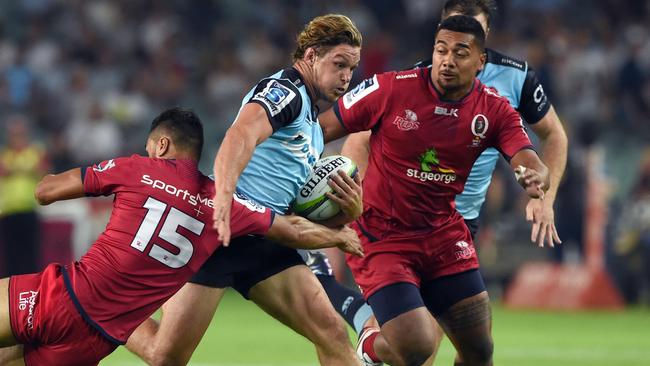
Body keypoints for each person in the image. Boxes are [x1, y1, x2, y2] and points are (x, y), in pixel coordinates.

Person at [0, 107, 363, 366]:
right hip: (95, 343)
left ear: (160, 145)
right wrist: (341, 235)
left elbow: (45, 191)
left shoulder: (135, 168)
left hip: (61, 298)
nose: (146, 152)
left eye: (149, 146)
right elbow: (292, 230)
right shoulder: (221, 204)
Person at [311, 0, 569, 363]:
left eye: (460, 52)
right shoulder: (391, 88)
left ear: (481, 61)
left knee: (480, 350)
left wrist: (535, 177)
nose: (447, 60)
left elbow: (528, 154)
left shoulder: (495, 107)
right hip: (386, 235)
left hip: (445, 235)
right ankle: (369, 343)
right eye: (441, 49)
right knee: (417, 347)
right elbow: (322, 128)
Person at [126, 14, 364, 365]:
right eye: (339, 64)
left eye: (352, 68)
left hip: (264, 237)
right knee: (166, 357)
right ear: (311, 56)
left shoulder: (313, 124)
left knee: (331, 333)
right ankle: (104, 312)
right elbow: (241, 134)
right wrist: (223, 194)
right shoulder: (285, 92)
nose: (346, 76)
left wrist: (349, 210)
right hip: (221, 233)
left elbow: (295, 206)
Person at [0, 115, 48, 277]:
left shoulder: (34, 152)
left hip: (28, 209)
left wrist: (15, 170)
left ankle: (32, 289)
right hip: (8, 211)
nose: (17, 138)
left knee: (30, 254)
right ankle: (12, 291)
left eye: (20, 134)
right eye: (14, 134)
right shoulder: (4, 154)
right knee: (11, 256)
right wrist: (24, 170)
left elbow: (43, 170)